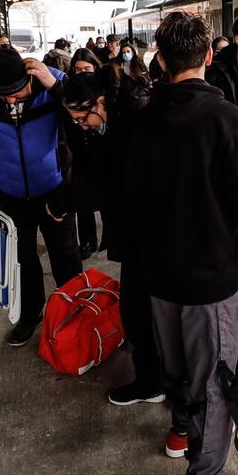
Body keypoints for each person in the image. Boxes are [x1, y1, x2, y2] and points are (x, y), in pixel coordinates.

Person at [123, 10, 238, 475]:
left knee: (179, 372)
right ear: (209, 56)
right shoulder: (225, 118)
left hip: (159, 279)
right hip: (211, 283)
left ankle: (181, 434)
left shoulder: (140, 119)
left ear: (160, 59)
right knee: (215, 386)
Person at [0, 48, 81, 346]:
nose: (11, 101)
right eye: (4, 97)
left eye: (17, 93)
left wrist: (56, 87)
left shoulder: (52, 82)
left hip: (54, 187)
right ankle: (30, 314)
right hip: (10, 191)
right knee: (21, 258)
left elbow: (81, 118)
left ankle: (76, 312)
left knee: (65, 255)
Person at [63, 67, 157, 406]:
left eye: (80, 117)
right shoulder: (126, 113)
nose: (81, 125)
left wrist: (65, 200)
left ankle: (153, 382)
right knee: (141, 310)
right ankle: (153, 378)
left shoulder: (129, 124)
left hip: (146, 232)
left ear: (99, 102)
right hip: (143, 231)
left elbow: (107, 184)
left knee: (141, 312)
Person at [65, 47, 105, 256]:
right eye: (77, 70)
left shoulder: (105, 95)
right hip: (80, 153)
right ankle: (89, 240)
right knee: (83, 201)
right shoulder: (71, 93)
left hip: (98, 152)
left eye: (86, 69)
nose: (82, 73)